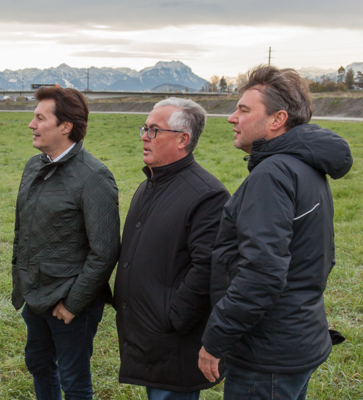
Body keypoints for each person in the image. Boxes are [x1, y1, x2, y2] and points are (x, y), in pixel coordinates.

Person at [198, 65, 353, 400]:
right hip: (296, 338)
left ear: (276, 119)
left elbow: (263, 273)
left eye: (243, 109)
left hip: (266, 354)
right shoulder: (305, 167)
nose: (231, 118)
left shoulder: (274, 174)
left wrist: (216, 340)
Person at [113, 98, 229, 400]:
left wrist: (172, 317)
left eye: (154, 130)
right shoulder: (150, 183)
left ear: (182, 140)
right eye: (144, 128)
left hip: (173, 340)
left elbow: (207, 267)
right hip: (149, 335)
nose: (144, 136)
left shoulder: (207, 195)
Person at [12, 86, 120, 400]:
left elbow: (105, 251)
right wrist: (23, 280)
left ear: (65, 126)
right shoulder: (34, 166)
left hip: (70, 304)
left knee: (74, 381)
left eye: (39, 118)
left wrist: (73, 304)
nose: (31, 124)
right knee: (38, 364)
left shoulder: (94, 177)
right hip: (35, 295)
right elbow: (22, 230)